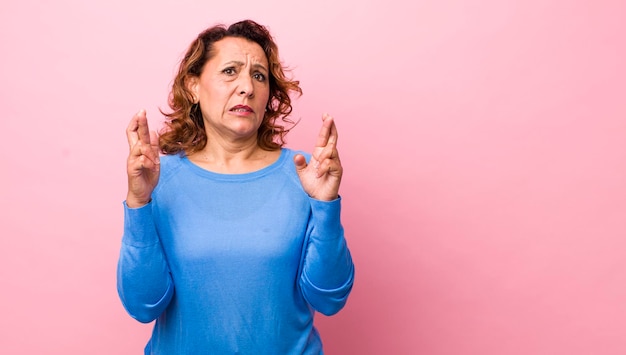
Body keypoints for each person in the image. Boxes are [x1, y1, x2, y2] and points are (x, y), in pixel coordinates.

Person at [116, 19, 355, 354]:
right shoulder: (157, 176)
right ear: (194, 86)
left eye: (259, 75)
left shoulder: (306, 174)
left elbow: (330, 299)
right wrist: (139, 202)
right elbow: (143, 305)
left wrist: (327, 206)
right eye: (230, 71)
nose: (247, 87)